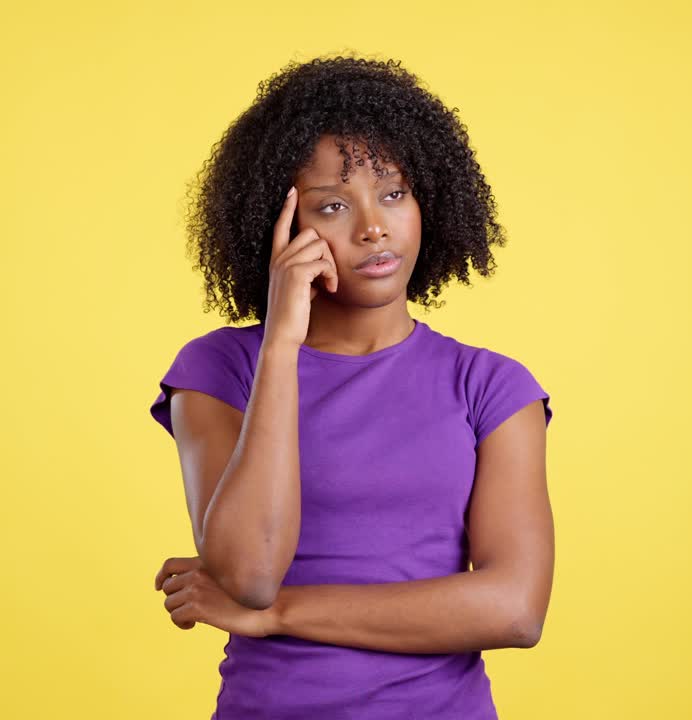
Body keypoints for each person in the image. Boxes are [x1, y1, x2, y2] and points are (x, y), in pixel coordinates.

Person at [148, 54, 555, 720]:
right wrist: (280, 346)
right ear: (277, 228)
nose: (372, 226)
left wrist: (279, 615)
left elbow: (514, 610)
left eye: (393, 193)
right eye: (332, 206)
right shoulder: (220, 370)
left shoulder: (492, 387)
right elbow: (248, 572)